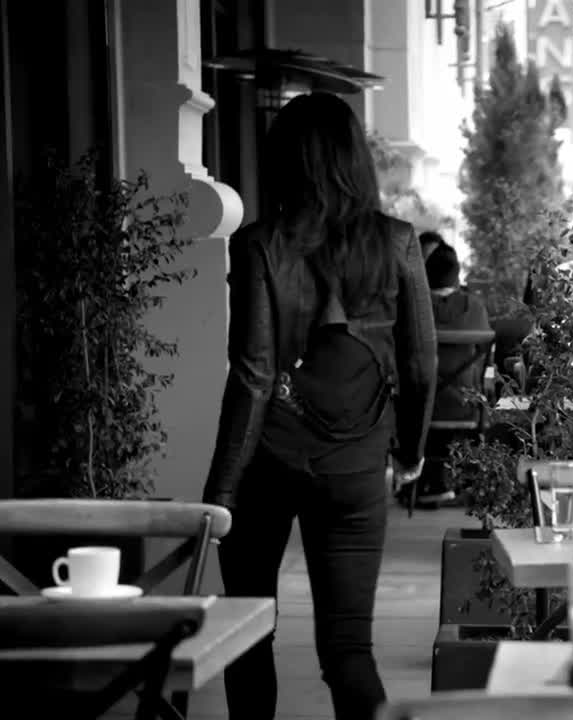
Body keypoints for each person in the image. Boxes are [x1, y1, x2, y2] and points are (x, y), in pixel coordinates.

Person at [203, 91, 437, 720]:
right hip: (356, 463)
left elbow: (253, 376)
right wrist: (410, 453)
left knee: (248, 636)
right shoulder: (397, 242)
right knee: (347, 650)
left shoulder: (259, 245)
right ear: (354, 160)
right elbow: (421, 364)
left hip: (268, 462)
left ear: (284, 162)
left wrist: (221, 492)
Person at [406, 240, 490, 507]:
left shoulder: (415, 307)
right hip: (466, 408)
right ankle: (456, 481)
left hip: (422, 408)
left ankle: (419, 481)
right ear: (457, 274)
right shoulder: (475, 307)